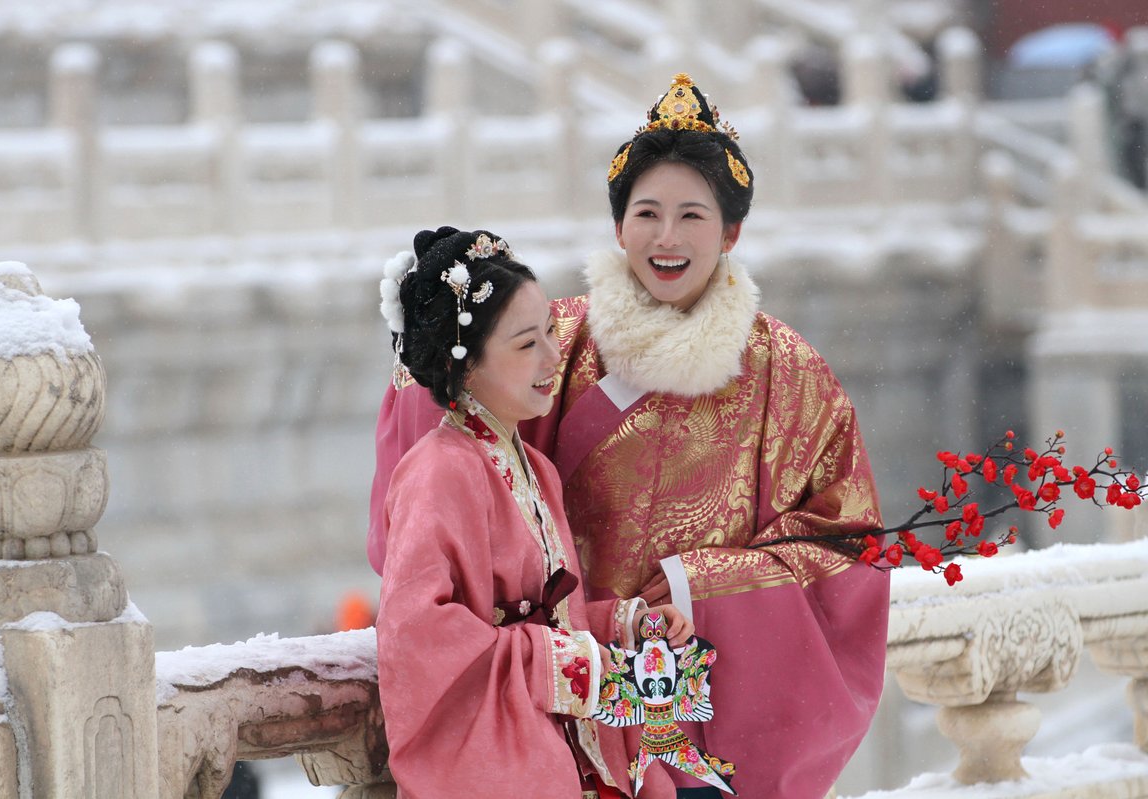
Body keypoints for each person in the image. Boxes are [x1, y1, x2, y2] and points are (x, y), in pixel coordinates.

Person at [370, 75, 890, 798]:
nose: (666, 237)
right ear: (619, 226)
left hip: (708, 721)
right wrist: (431, 333)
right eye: (646, 212)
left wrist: (696, 586)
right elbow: (454, 435)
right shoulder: (554, 339)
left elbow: (850, 551)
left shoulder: (791, 375)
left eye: (692, 215)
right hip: (571, 729)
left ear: (731, 231)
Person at [374, 226, 691, 799]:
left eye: (550, 332)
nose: (553, 356)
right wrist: (555, 663)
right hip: (507, 768)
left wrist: (624, 623)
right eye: (526, 345)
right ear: (464, 366)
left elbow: (543, 619)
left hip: (560, 751)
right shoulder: (437, 472)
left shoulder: (533, 466)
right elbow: (416, 636)